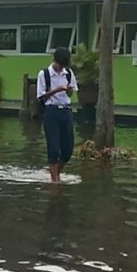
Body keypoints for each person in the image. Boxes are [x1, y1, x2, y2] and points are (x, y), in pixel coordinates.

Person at [37, 47, 75, 183]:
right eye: (60, 65)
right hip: (51, 111)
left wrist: (68, 90)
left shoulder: (68, 73)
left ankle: (56, 173)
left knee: (68, 150)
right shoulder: (44, 74)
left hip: (66, 110)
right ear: (55, 61)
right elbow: (41, 97)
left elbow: (70, 93)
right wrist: (57, 90)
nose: (61, 68)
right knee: (53, 148)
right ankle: (54, 181)